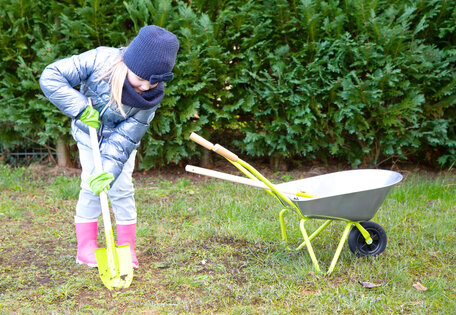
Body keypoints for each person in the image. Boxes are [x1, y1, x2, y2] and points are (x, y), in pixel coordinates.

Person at [39, 25, 179, 269]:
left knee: (121, 188)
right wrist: (81, 108)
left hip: (121, 144)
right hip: (88, 136)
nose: (145, 88)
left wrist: (110, 171)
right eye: (141, 80)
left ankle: (127, 248)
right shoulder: (100, 60)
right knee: (91, 185)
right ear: (129, 65)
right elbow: (51, 77)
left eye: (152, 83)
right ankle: (86, 248)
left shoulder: (150, 99)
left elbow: (126, 138)